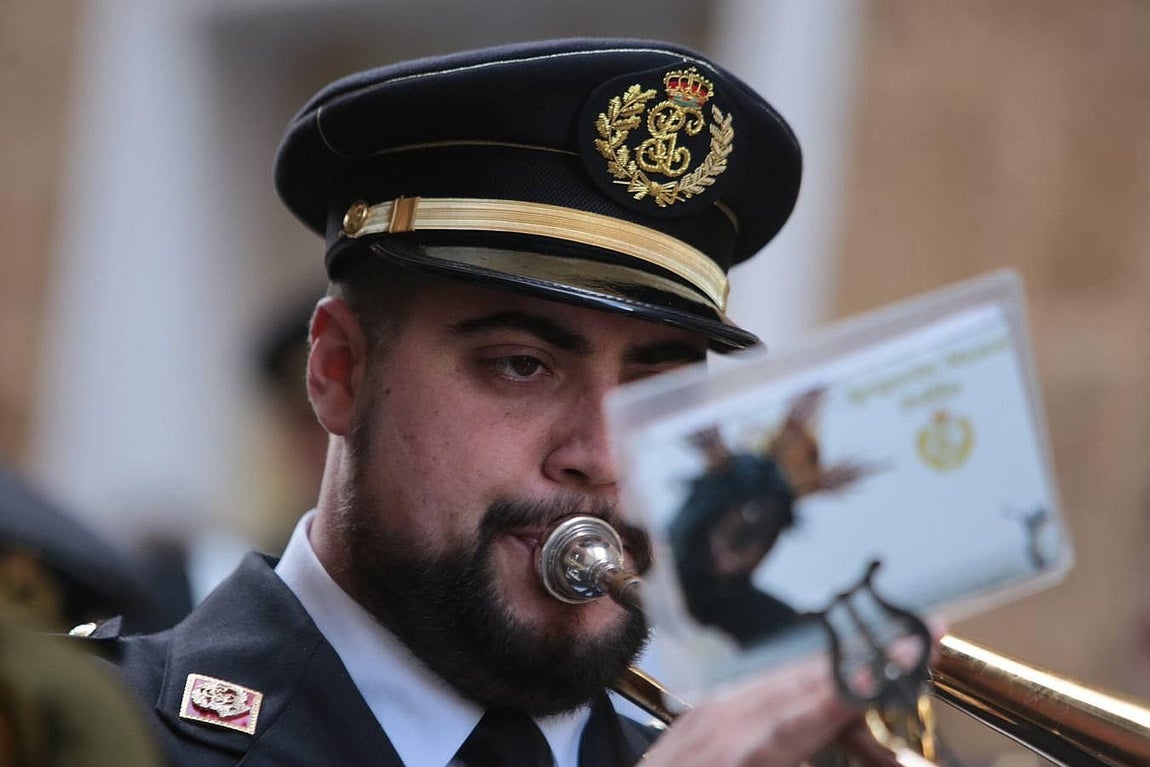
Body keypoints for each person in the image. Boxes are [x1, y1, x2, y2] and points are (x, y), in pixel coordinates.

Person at [83, 39, 909, 766]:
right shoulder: (75, 733)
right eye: (522, 365)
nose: (605, 455)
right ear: (339, 370)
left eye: (662, 388)